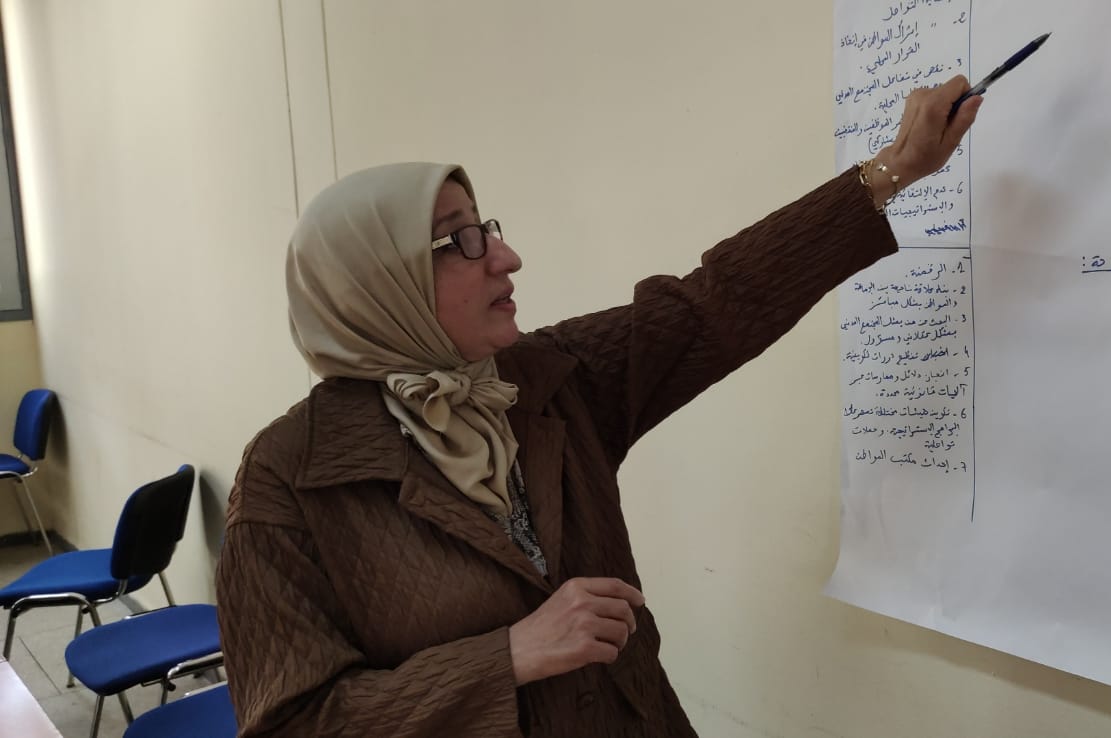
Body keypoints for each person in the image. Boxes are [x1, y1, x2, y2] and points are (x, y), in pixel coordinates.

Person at [216, 76, 982, 736]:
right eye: (460, 241)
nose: (506, 256)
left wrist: (894, 169)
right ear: (375, 284)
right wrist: (506, 659)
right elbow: (292, 723)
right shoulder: (290, 481)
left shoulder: (550, 379)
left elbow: (717, 301)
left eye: (487, 228)